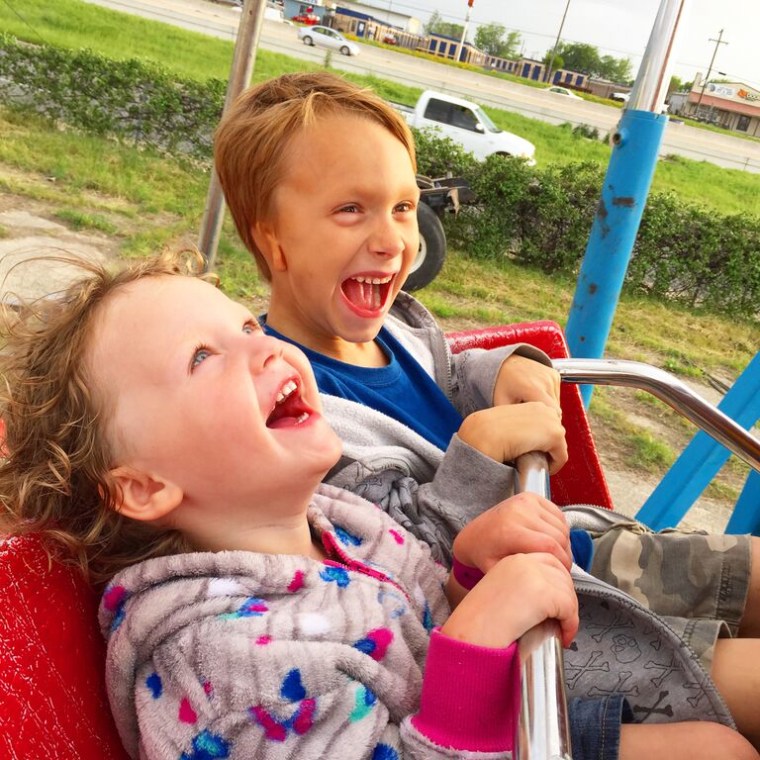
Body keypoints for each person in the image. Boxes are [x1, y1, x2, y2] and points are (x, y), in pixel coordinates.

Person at [212, 71, 760, 754]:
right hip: (516, 628)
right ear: (273, 241)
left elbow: (446, 368)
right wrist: (473, 454)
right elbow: (401, 561)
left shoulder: (390, 332)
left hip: (570, 546)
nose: (393, 241)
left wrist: (507, 365)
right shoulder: (296, 412)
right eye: (352, 210)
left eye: (405, 208)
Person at [0, 252, 582, 759]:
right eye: (202, 357)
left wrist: (463, 579)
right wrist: (474, 648)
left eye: (250, 326)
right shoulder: (231, 675)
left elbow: (416, 632)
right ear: (145, 487)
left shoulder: (334, 518)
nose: (267, 348)